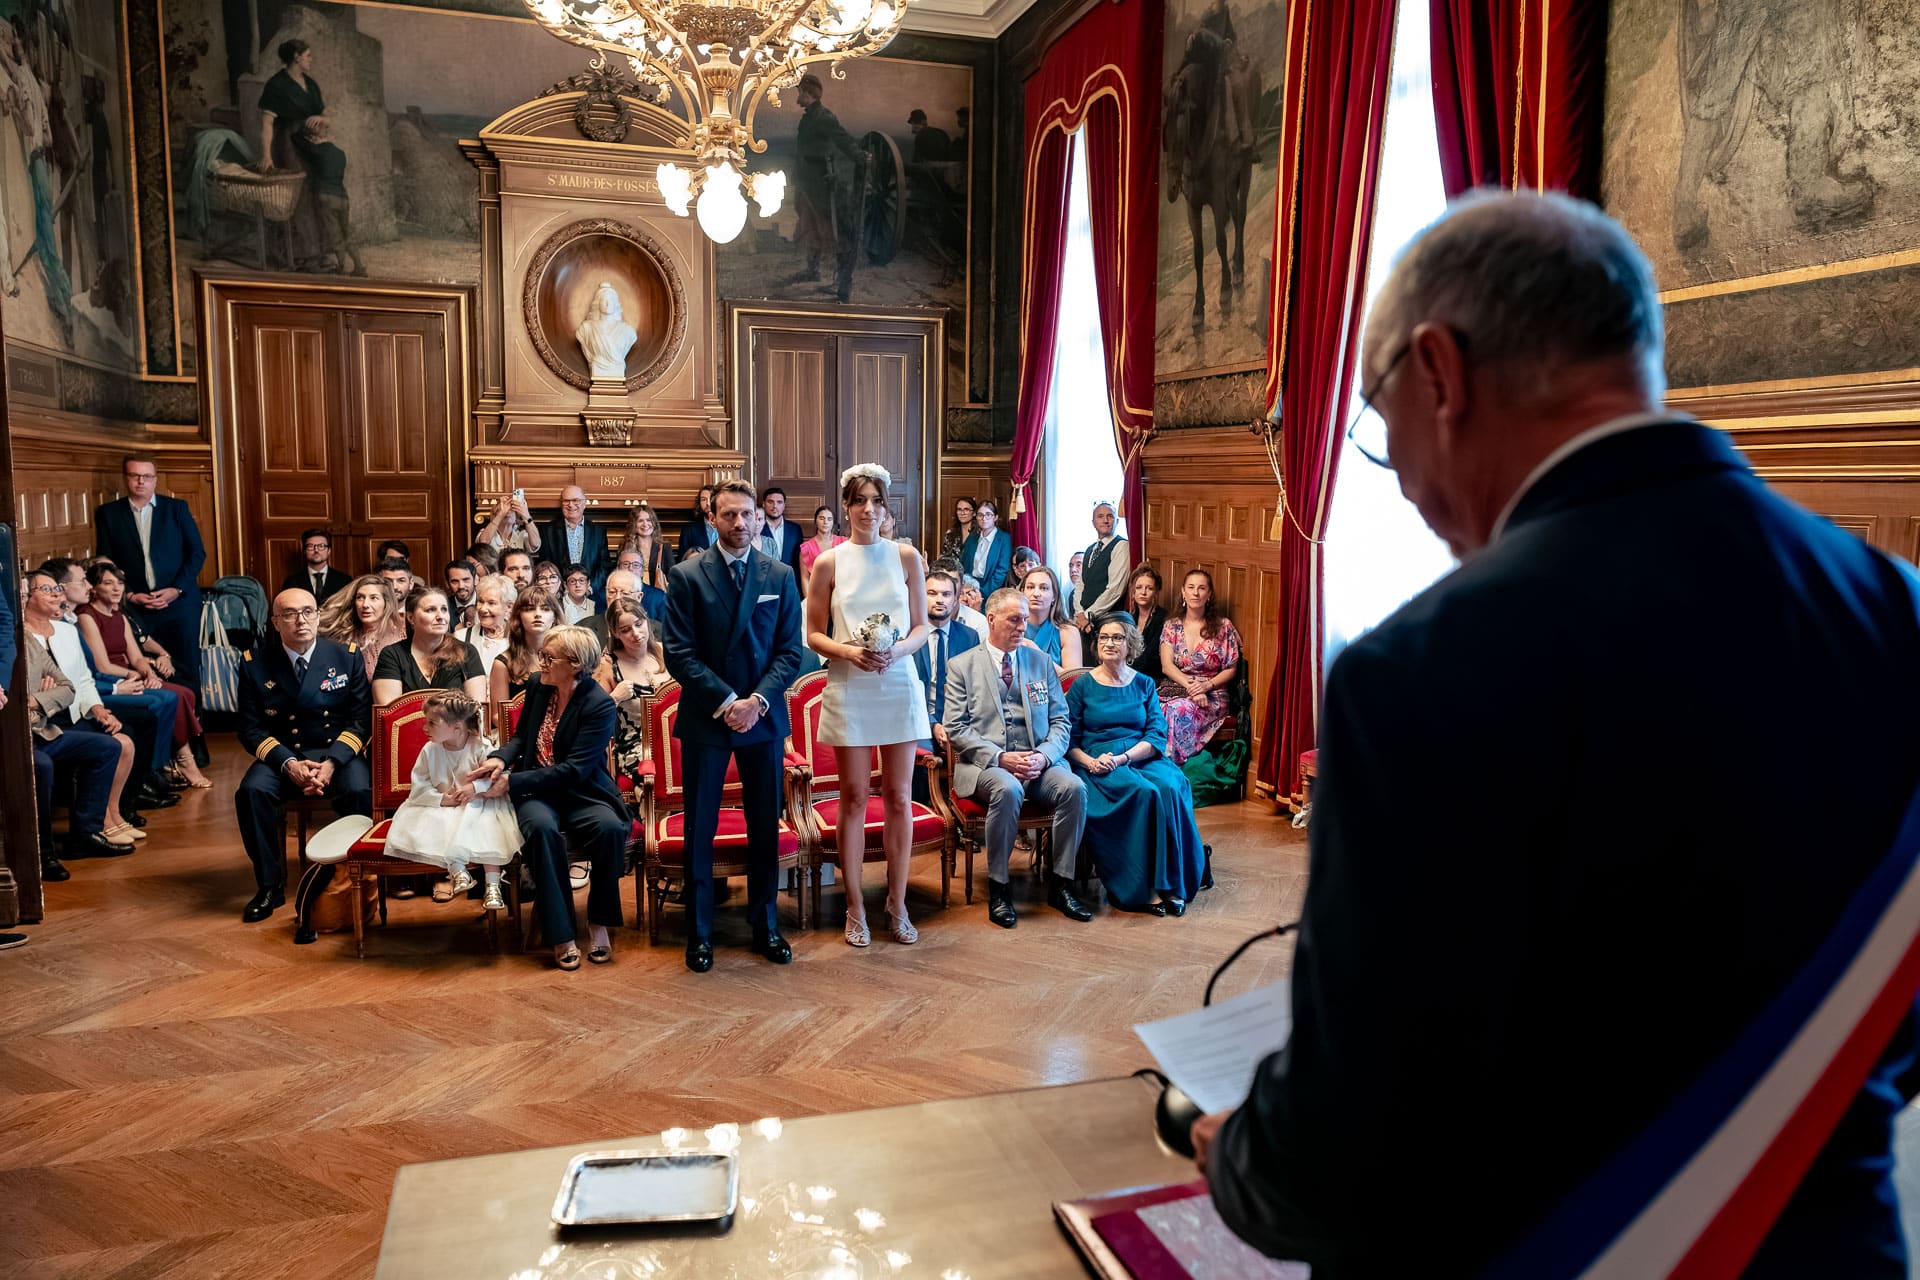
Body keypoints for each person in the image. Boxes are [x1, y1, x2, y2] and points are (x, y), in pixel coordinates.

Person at [1195, 192, 1920, 1277]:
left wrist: (1239, 1157)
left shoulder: (1422, 670)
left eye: (1383, 430)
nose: (1406, 486)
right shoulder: (1897, 608)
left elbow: (1349, 1155)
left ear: (1439, 372)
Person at [661, 479, 805, 972]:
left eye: (747, 514)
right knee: (699, 827)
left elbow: (790, 652)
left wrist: (757, 702)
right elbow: (679, 653)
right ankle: (700, 933)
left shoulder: (780, 574)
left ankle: (766, 926)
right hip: (708, 715)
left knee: (764, 825)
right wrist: (727, 702)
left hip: (762, 717)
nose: (739, 523)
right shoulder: (686, 575)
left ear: (759, 518)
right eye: (729, 515)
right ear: (713, 518)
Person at [806, 464, 932, 947]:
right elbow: (813, 633)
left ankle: (897, 903)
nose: (868, 509)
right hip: (850, 682)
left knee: (899, 795)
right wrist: (848, 652)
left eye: (876, 501)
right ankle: (855, 905)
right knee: (855, 796)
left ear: (886, 508)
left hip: (898, 681)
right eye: (859, 500)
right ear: (846, 507)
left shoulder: (906, 556)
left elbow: (921, 626)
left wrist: (896, 652)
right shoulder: (829, 562)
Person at [469, 625, 627, 970]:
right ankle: (561, 933)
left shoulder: (599, 705)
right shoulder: (539, 686)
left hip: (582, 791)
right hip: (536, 791)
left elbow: (575, 770)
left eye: (549, 658)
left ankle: (599, 921)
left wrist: (510, 782)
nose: (541, 662)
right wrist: (500, 759)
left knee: (611, 829)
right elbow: (521, 737)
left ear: (575, 664)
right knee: (541, 830)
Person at [941, 587, 1091, 928]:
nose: (1022, 626)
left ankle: (1061, 884)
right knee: (1007, 789)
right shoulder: (962, 666)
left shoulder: (1040, 662)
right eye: (1014, 619)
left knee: (1074, 789)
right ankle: (1000, 887)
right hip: (987, 766)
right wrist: (1000, 757)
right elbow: (956, 728)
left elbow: (1061, 720)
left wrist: (1044, 756)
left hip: (1038, 762)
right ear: (991, 619)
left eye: (1024, 619)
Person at [235, 589, 371, 924]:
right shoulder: (255, 663)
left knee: (360, 790)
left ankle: (351, 877)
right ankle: (269, 885)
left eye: (308, 611)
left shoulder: (345, 656)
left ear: (318, 616)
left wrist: (332, 763)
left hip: (335, 752)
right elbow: (250, 729)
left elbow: (360, 720)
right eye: (290, 613)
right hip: (284, 754)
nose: (301, 620)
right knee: (252, 792)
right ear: (275, 622)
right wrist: (289, 764)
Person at [1066, 614, 1205, 915]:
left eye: (1117, 637)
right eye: (1104, 637)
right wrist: (1092, 763)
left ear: (1130, 644)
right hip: (1098, 761)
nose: (1109, 643)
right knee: (1144, 793)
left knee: (1171, 786)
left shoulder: (1144, 684)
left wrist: (1125, 758)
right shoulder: (1082, 687)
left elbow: (1156, 733)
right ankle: (1141, 889)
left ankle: (1173, 884)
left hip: (1139, 755)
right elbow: (1069, 740)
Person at [21, 569, 138, 861]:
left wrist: (96, 708)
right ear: (26, 598)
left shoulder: (66, 630)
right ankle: (44, 853)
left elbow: (74, 685)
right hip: (37, 726)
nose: (56, 594)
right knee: (45, 765)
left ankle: (94, 828)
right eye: (46, 590)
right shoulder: (18, 637)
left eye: (57, 588)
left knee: (118, 741)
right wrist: (43, 699)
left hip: (69, 715)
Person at [381, 691, 521, 911]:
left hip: (480, 803)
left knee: (489, 828)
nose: (425, 728)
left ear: (456, 727)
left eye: (432, 723)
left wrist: (475, 788)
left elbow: (495, 779)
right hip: (442, 805)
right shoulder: (430, 750)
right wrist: (440, 799)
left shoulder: (481, 747)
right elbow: (419, 785)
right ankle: (458, 872)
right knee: (441, 824)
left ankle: (493, 885)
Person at [76, 562, 210, 789]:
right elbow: (103, 666)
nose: (116, 589)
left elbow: (137, 656)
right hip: (114, 678)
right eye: (108, 583)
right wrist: (136, 674)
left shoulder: (119, 615)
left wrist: (149, 674)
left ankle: (165, 766)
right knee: (173, 698)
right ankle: (172, 764)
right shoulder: (87, 616)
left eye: (120, 583)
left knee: (185, 692)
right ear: (94, 588)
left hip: (132, 674)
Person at [94, 455, 206, 695]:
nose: (141, 481)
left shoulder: (176, 508)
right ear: (126, 478)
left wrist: (176, 589)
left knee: (187, 666)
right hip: (137, 606)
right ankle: (162, 715)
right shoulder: (108, 513)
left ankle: (193, 718)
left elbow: (197, 553)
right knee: (149, 669)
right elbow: (106, 560)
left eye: (147, 476)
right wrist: (130, 595)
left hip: (180, 603)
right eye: (135, 475)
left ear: (155, 479)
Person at [253, 39, 328, 267]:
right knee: (299, 194)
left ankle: (320, 251)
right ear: (296, 57)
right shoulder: (277, 85)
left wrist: (322, 119)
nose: (311, 59)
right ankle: (302, 255)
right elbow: (267, 123)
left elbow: (323, 114)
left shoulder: (310, 84)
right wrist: (266, 156)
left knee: (318, 189)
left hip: (311, 142)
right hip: (286, 143)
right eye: (308, 55)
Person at [792, 73, 863, 302]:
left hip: (822, 185)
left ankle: (843, 285)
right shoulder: (808, 118)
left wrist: (860, 156)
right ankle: (812, 270)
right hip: (806, 182)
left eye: (800, 92)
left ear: (809, 94)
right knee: (810, 226)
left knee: (834, 231)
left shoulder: (824, 117)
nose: (798, 97)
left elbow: (843, 139)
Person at [1158, 569, 1241, 765]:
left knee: (1178, 710)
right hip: (1177, 688)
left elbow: (1231, 669)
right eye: (1191, 587)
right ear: (1183, 592)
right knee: (1159, 708)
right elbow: (1167, 666)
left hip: (1212, 694)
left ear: (1209, 594)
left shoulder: (1224, 626)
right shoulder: (1171, 626)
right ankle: (1155, 767)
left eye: (1202, 588)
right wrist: (1193, 689)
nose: (1196, 593)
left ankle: (1175, 767)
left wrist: (1204, 686)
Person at [372, 586, 488, 708]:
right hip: (406, 721)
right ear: (411, 618)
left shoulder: (466, 651)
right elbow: (390, 712)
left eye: (444, 609)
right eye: (430, 610)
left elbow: (477, 710)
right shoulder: (392, 655)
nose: (440, 616)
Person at [593, 598, 667, 782]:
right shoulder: (608, 665)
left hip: (673, 738)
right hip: (636, 746)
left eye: (639, 624)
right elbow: (593, 715)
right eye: (626, 630)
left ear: (647, 620)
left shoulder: (667, 652)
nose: (635, 633)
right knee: (656, 773)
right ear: (615, 633)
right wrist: (615, 698)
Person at [913, 567, 979, 755]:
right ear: (921, 597)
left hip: (959, 722)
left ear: (956, 600)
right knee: (922, 757)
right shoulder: (909, 636)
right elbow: (905, 692)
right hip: (918, 721)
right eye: (932, 593)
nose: (940, 600)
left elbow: (974, 689)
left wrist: (954, 725)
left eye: (946, 594)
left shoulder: (969, 637)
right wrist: (933, 724)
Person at [301, 115, 363, 275]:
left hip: (326, 196)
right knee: (347, 233)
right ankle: (359, 267)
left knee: (336, 235)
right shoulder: (340, 153)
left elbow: (295, 138)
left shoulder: (316, 151)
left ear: (314, 138)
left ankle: (341, 268)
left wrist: (310, 129)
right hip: (342, 197)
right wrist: (323, 123)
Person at [319, 574, 404, 681]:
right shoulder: (343, 638)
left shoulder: (403, 634)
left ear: (386, 603)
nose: (365, 605)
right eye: (360, 597)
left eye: (373, 598)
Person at [489, 586, 558, 708]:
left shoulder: (566, 659)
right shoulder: (503, 663)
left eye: (545, 609)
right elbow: (497, 715)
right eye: (530, 609)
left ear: (554, 617)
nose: (538, 614)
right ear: (519, 616)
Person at [543, 486, 609, 597]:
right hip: (559, 596)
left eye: (576, 500)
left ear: (584, 503)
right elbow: (546, 565)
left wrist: (590, 588)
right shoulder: (548, 531)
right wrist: (560, 589)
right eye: (566, 501)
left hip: (591, 596)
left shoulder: (598, 531)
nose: (571, 504)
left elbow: (604, 565)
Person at [1072, 501, 1129, 631]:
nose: (1105, 520)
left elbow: (1115, 589)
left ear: (1117, 521)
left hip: (1108, 621)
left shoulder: (1121, 546)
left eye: (1110, 516)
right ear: (1093, 522)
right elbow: (1080, 584)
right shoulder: (1090, 549)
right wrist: (1079, 613)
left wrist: (1088, 615)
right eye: (1100, 516)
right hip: (1084, 621)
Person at [1019, 565, 1083, 674]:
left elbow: (1072, 680)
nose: (1036, 594)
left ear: (1054, 596)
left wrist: (1038, 655)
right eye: (1030, 587)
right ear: (1022, 592)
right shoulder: (1010, 628)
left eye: (1044, 588)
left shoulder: (1068, 632)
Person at [575, 281, 637, 379]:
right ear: (597, 304)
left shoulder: (628, 331)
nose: (608, 303)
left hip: (618, 366)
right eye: (604, 300)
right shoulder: (586, 328)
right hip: (596, 366)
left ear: (616, 303)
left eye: (612, 300)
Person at [456, 573, 514, 673]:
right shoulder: (461, 638)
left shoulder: (518, 639)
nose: (483, 609)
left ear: (508, 607)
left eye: (491, 603)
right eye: (481, 601)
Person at [1124, 564, 1168, 683]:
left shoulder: (1164, 618)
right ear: (1133, 591)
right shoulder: (1127, 616)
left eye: (1149, 588)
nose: (1143, 592)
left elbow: (1151, 657)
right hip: (1127, 673)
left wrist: (1126, 673)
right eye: (1139, 587)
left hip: (1152, 677)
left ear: (1156, 592)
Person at [285, 528, 351, 604]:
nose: (316, 550)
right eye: (310, 546)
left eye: (321, 546)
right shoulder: (292, 581)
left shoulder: (345, 580)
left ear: (329, 551)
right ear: (304, 551)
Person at [620, 503, 674, 593]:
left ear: (654, 523)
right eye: (640, 521)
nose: (645, 524)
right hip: (633, 594)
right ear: (634, 524)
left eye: (649, 520)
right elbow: (620, 574)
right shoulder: (625, 547)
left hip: (658, 596)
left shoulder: (665, 547)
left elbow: (672, 576)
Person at [960, 498, 1010, 594]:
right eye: (980, 515)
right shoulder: (972, 537)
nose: (984, 518)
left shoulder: (1004, 539)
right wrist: (967, 588)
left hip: (991, 589)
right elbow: (964, 564)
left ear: (995, 517)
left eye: (988, 514)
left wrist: (983, 592)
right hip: (969, 587)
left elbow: (1001, 570)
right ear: (976, 517)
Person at [757, 486, 804, 574]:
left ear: (784, 505)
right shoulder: (757, 528)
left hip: (790, 578)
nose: (775, 506)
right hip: (764, 579)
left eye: (779, 502)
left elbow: (799, 560)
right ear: (763, 504)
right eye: (770, 502)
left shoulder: (795, 529)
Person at [799, 504, 840, 595]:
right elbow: (805, 578)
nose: (825, 522)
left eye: (829, 519)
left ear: (833, 522)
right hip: (817, 594)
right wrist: (809, 600)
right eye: (821, 518)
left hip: (841, 593)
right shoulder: (806, 547)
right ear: (815, 521)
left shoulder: (843, 543)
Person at [680, 484, 718, 556]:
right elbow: (683, 560)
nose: (708, 503)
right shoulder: (689, 530)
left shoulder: (727, 526)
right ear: (699, 503)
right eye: (703, 499)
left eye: (711, 499)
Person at [940, 496, 979, 564]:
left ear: (974, 513)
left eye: (966, 509)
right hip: (952, 569)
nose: (962, 513)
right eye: (959, 509)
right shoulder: (950, 534)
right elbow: (944, 557)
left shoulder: (979, 533)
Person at [956, 574, 989, 642]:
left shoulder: (982, 621)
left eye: (969, 594)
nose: (965, 598)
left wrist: (974, 613)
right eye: (961, 594)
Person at [1063, 551, 1085, 619]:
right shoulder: (1072, 594)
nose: (1073, 570)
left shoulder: (1098, 590)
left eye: (1078, 565)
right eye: (1071, 566)